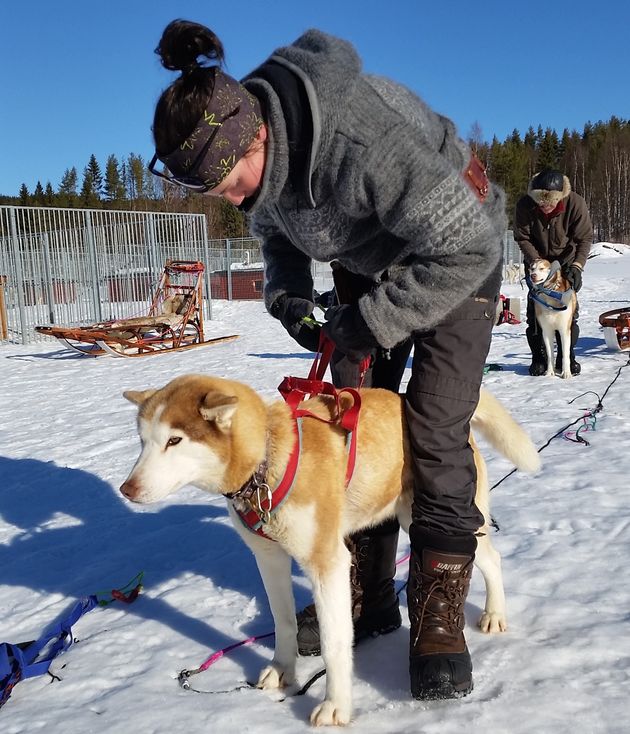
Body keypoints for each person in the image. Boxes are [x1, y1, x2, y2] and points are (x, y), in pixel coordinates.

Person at [149, 19, 506, 701]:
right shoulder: (253, 151)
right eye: (211, 190)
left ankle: (436, 613)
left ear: (257, 135)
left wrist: (369, 322)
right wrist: (292, 303)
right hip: (369, 265)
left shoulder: (357, 140)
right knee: (339, 416)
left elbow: (464, 250)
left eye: (225, 183)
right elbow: (276, 236)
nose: (229, 198)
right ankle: (363, 594)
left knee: (431, 428)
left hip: (458, 257)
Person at [514, 170, 593, 376]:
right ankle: (539, 358)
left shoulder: (575, 203)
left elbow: (584, 238)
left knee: (567, 311)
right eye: (540, 202)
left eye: (548, 203)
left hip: (566, 262)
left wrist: (577, 266)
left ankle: (567, 358)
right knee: (536, 312)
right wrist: (537, 263)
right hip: (537, 264)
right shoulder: (525, 205)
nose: (544, 206)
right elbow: (522, 237)